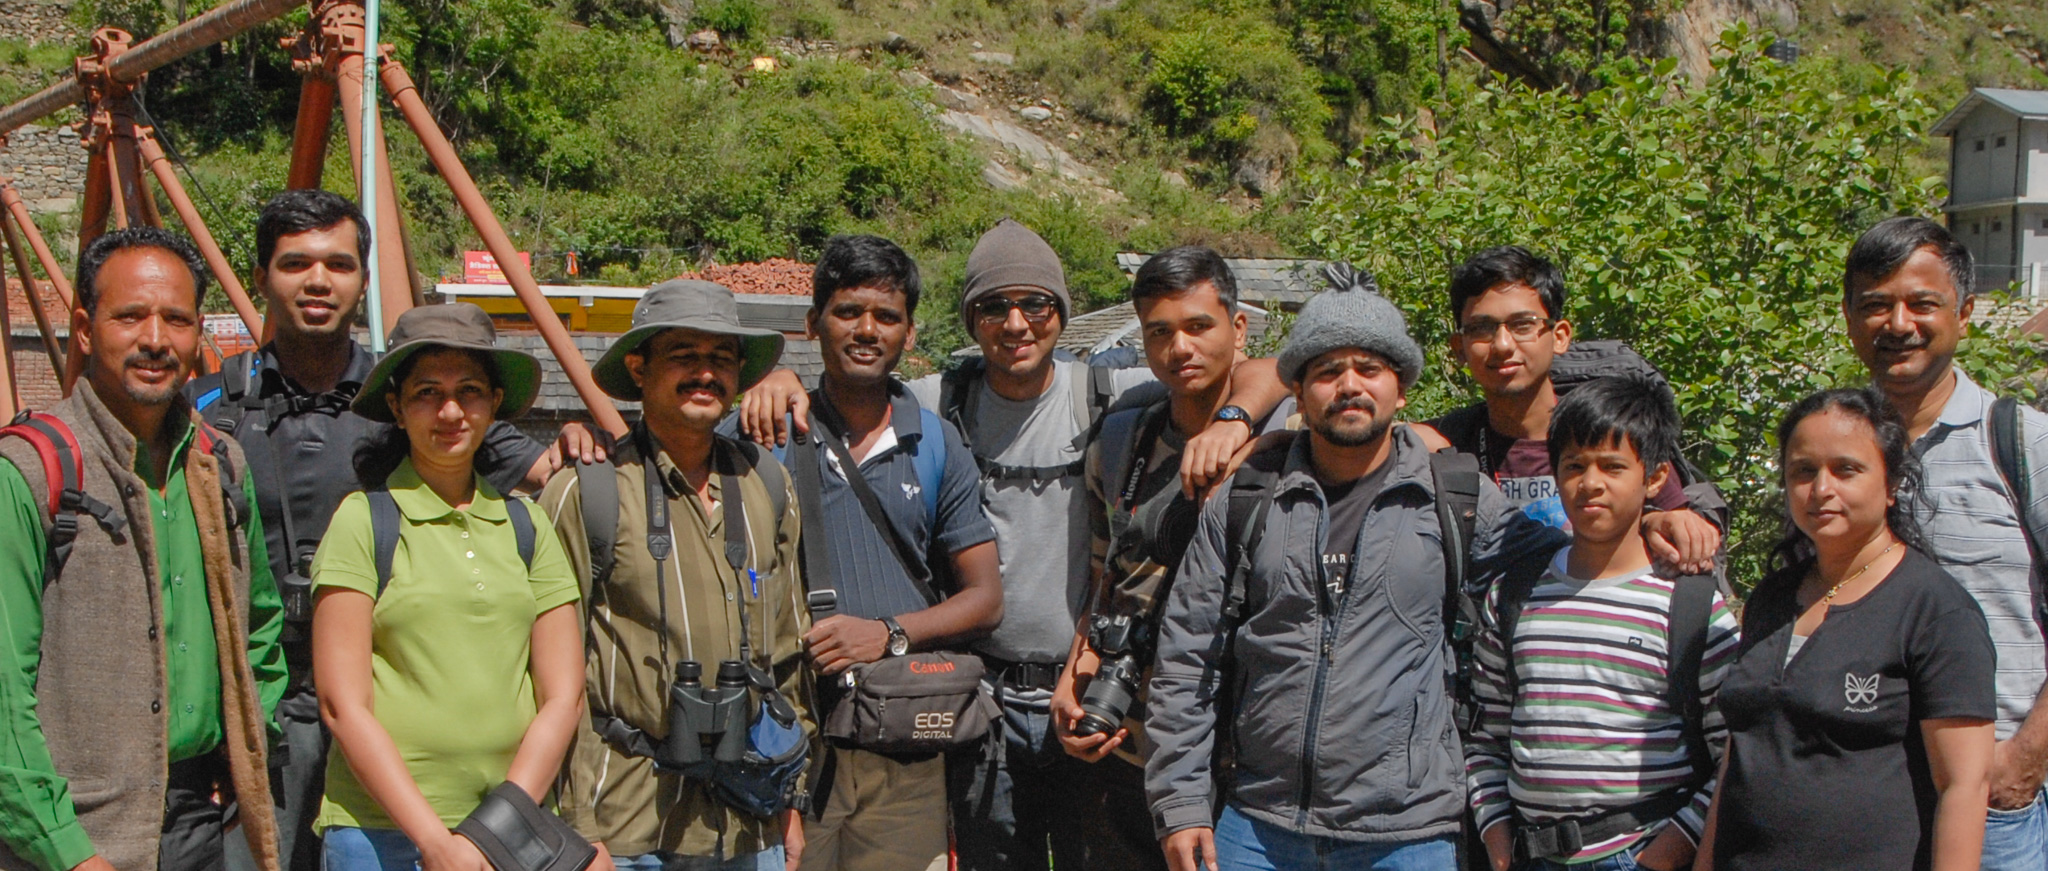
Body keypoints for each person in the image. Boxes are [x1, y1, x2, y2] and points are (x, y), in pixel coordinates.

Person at [738, 221, 1287, 870]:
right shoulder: (937, 402)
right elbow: (851, 384)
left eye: (1037, 303)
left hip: (1091, 695)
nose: (1017, 321)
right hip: (983, 701)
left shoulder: (1112, 395)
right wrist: (774, 382)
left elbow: (1267, 366)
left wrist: (1234, 417)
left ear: (1062, 312)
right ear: (970, 320)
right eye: (994, 306)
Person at [185, 190, 561, 871]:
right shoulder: (211, 407)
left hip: (384, 702)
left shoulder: (413, 395)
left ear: (363, 279)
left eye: (339, 263)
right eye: (296, 263)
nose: (319, 280)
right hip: (256, 702)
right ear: (263, 275)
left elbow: (553, 466)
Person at [1147, 280, 1515, 871]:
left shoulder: (1462, 500)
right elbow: (1188, 656)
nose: (1349, 386)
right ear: (1297, 390)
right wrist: (1182, 801)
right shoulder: (1246, 498)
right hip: (1258, 826)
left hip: (1408, 831)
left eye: (1370, 368)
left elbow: (1569, 574)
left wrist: (1674, 510)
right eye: (1327, 371)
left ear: (1401, 387)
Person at [0, 227, 287, 871]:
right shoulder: (28, 472)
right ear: (83, 328)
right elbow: (1, 695)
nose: (155, 340)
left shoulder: (220, 464)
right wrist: (65, 850)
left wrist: (246, 745)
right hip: (70, 834)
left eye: (176, 319)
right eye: (130, 316)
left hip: (196, 822)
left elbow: (259, 627)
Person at [720, 235, 1003, 871]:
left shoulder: (935, 442)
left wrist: (886, 635)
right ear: (813, 322)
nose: (866, 330)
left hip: (904, 750)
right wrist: (577, 438)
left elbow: (985, 599)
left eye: (887, 316)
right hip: (788, 750)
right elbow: (657, 453)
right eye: (848, 312)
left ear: (908, 332)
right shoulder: (763, 430)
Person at [542, 279, 811, 871]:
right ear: (638, 368)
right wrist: (577, 828)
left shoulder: (765, 484)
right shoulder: (587, 492)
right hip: (624, 822)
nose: (704, 373)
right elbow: (550, 678)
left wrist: (792, 796)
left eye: (720, 358)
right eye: (683, 356)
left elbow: (789, 656)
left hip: (749, 816)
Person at [308, 303, 584, 871]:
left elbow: (563, 696)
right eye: (428, 392)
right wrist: (436, 844)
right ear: (396, 406)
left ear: (494, 404)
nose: (451, 411)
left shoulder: (527, 525)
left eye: (470, 392)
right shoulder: (364, 521)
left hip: (512, 834)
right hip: (379, 835)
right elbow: (342, 704)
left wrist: (494, 830)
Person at [1050, 246, 1287, 871]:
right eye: (1160, 332)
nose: (1179, 347)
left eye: (1198, 326)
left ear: (1237, 328)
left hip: (1248, 758)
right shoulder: (1126, 440)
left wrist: (1236, 421)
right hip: (1135, 748)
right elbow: (1106, 574)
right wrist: (1076, 673)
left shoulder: (1289, 438)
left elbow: (1289, 367)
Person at [1698, 387, 1995, 871]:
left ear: (1892, 482)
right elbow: (1741, 754)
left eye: (1846, 469)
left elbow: (1964, 785)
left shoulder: (1934, 608)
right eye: (1804, 471)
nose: (1821, 489)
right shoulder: (1773, 599)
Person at [1836, 216, 2048, 868]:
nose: (1897, 323)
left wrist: (2022, 761)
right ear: (1848, 318)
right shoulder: (1832, 448)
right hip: (1864, 786)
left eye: (1921, 303)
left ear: (1965, 313)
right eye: (1875, 305)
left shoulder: (2019, 441)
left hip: (1992, 792)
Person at [1464, 375, 1739, 871]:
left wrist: (1660, 858)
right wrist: (1501, 848)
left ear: (1654, 478)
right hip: (1530, 855)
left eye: (1613, 467)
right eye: (1574, 466)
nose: (1590, 484)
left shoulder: (1691, 603)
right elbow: (1487, 738)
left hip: (1640, 849)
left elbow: (1735, 754)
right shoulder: (1514, 594)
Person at [1420, 246, 1721, 575]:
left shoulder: (1609, 431)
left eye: (1523, 325)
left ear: (1560, 336)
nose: (1503, 345)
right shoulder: (1447, 444)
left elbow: (1674, 521)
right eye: (1481, 329)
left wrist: (1659, 520)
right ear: (1458, 349)